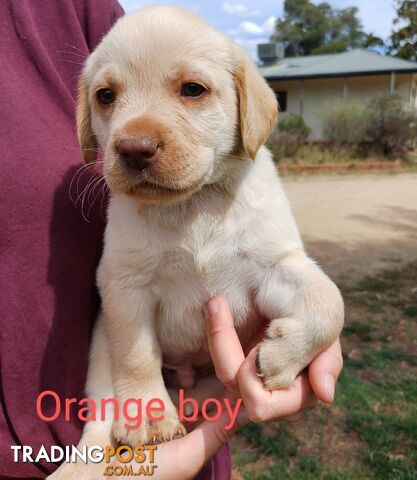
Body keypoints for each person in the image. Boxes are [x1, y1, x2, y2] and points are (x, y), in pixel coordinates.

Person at [0, 0, 342, 478]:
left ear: (248, 107)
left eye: (192, 89)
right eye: (107, 97)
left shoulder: (257, 189)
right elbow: (123, 286)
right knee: (115, 310)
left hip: (212, 393)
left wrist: (317, 320)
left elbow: (285, 270)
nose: (134, 138)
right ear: (86, 119)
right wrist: (139, 390)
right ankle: (95, 444)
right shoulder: (126, 206)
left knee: (323, 302)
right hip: (134, 391)